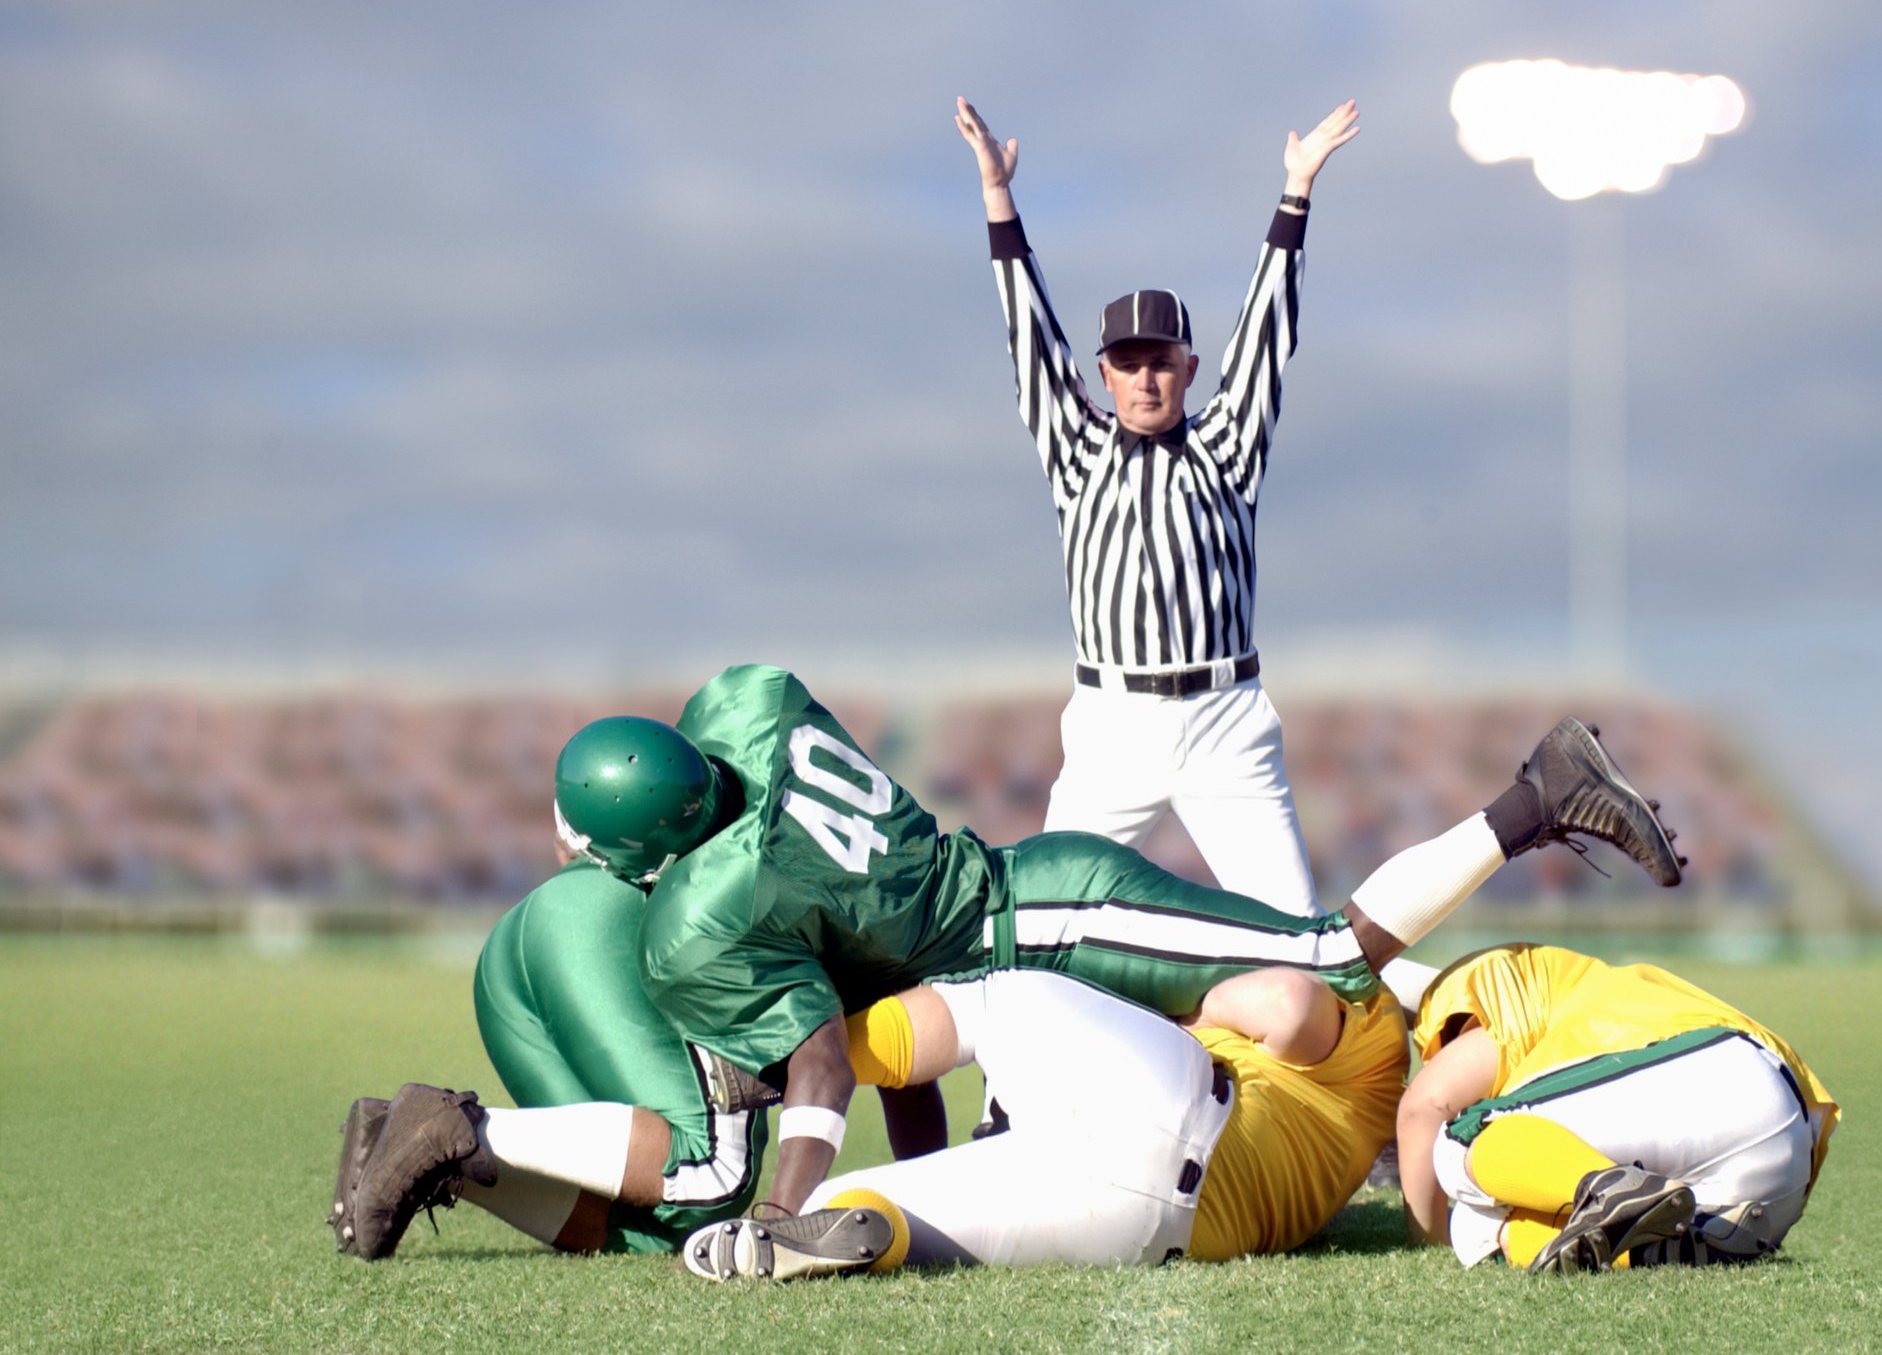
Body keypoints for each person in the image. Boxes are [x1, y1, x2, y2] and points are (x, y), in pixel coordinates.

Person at [337, 663, 1682, 1258]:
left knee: (1328, 955)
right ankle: (468, 1143)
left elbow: (824, 1058)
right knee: (1282, 990)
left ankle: (1537, 794)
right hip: (994, 925)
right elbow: (874, 1021)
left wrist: (792, 1198)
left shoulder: (699, 912)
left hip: (1044, 919)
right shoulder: (745, 702)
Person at [954, 95, 1359, 918]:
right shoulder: (1076, 449)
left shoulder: (1228, 444)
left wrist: (1296, 192)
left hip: (1224, 722)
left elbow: (1267, 337)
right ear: (1103, 374)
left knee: (1295, 937)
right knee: (1041, 927)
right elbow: (1031, 341)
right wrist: (998, 198)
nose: (1145, 379)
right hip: (1112, 728)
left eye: (1161, 362)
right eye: (1128, 363)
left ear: (1189, 368)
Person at [681, 962, 1408, 1280]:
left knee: (995, 999)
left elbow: (1287, 1003)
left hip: (1177, 1098)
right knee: (857, 1207)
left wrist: (1198, 1008)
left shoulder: (1370, 1017)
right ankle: (841, 1223)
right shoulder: (1366, 1137)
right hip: (1151, 1232)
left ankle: (792, 1069)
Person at [1394, 943, 1837, 1273]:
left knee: (1461, 1137)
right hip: (1776, 1180)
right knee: (1473, 1225)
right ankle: (1650, 1248)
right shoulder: (1597, 991)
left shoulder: (1511, 994)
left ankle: (1607, 1189)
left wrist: (1427, 1246)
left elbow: (1424, 1106)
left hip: (1715, 1081)